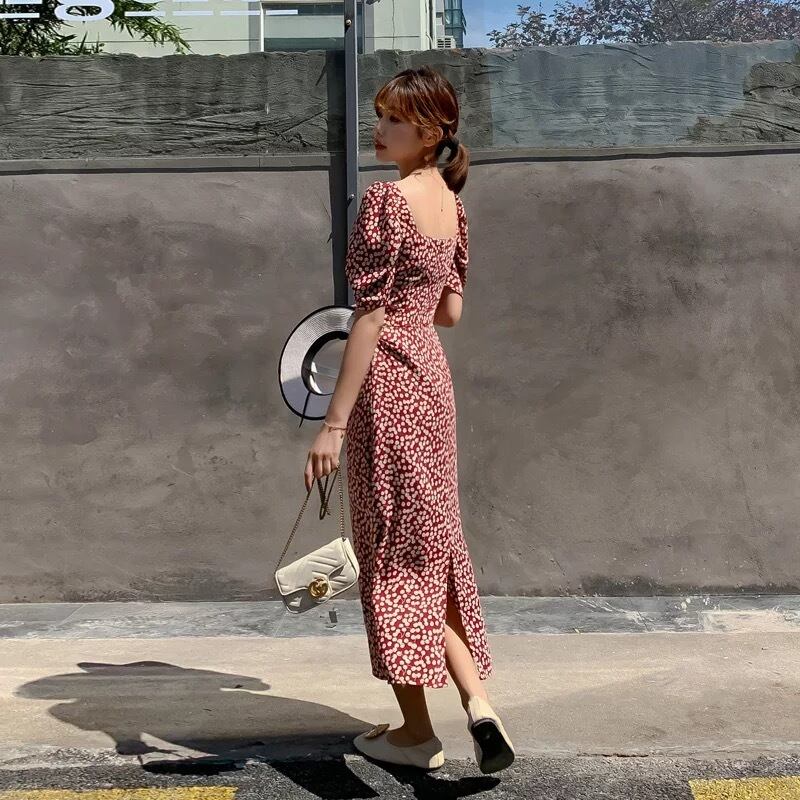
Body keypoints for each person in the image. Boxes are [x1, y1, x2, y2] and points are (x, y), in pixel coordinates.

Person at [303, 66, 515, 774]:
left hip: (388, 389)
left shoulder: (385, 202)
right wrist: (415, 301)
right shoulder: (452, 206)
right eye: (382, 115)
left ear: (429, 132)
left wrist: (333, 422)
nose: (380, 129)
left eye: (394, 119)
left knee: (392, 555)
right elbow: (449, 312)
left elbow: (367, 317)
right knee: (432, 547)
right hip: (431, 384)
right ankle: (479, 705)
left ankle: (417, 734)